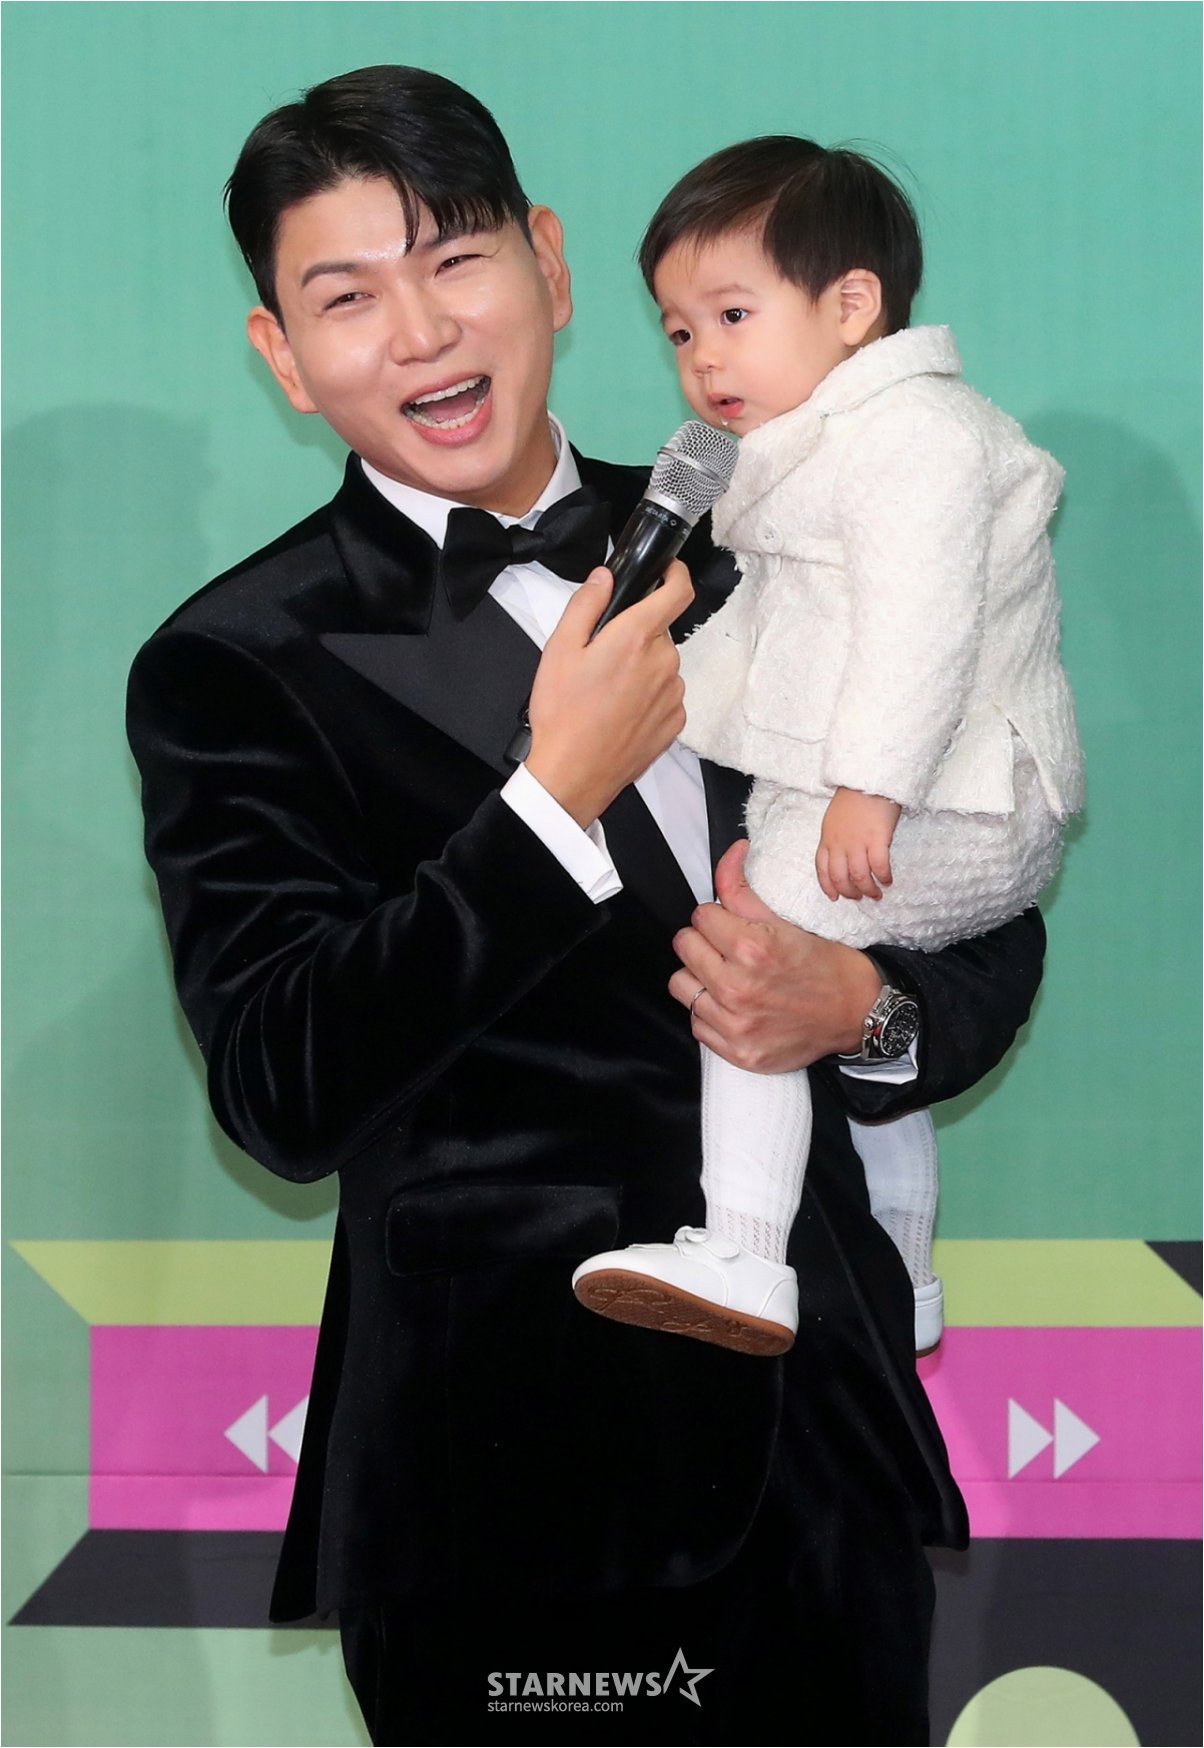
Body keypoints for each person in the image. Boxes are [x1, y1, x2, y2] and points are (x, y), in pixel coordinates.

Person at [126, 68, 1046, 1746]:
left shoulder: (778, 531)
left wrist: (868, 1011)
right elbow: (281, 1085)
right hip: (511, 1504)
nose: (421, 333)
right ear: (282, 353)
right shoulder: (236, 664)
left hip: (823, 1461)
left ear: (547, 265)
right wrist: (550, 801)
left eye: (452, 259)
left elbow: (980, 892)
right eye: (347, 296)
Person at [573, 138, 1083, 1360]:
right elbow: (758, 636)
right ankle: (901, 1273)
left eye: (731, 315)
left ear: (852, 305)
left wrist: (871, 786)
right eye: (679, 331)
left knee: (756, 945)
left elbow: (920, 623)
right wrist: (614, 714)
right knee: (794, 952)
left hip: (952, 797)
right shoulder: (802, 454)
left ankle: (744, 1248)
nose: (702, 358)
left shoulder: (913, 437)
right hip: (903, 796)